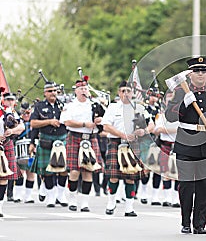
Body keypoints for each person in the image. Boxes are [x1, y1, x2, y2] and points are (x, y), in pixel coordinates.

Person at [165, 56, 206, 234]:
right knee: (186, 186)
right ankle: (186, 221)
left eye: (204, 71)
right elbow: (170, 116)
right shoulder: (180, 92)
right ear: (190, 74)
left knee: (205, 186)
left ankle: (199, 224)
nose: (200, 74)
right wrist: (183, 105)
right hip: (186, 144)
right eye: (197, 71)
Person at [102, 80, 154, 216]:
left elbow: (151, 125)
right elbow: (106, 126)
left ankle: (129, 208)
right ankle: (111, 203)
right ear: (119, 93)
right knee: (113, 176)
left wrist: (144, 131)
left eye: (128, 91)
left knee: (131, 177)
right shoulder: (113, 107)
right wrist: (123, 135)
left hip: (133, 144)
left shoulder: (139, 108)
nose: (126, 93)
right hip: (116, 143)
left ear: (133, 93)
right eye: (123, 91)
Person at [60, 79, 105, 212]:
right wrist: (84, 124)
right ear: (76, 91)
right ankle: (72, 199)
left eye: (86, 89)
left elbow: (105, 119)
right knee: (74, 172)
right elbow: (67, 122)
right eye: (81, 89)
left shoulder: (94, 104)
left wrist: (100, 120)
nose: (84, 91)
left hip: (91, 139)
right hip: (75, 138)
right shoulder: (71, 105)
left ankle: (85, 203)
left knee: (88, 172)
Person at [30, 82, 70, 208]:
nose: (53, 93)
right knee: (48, 171)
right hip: (46, 140)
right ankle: (51, 197)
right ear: (45, 93)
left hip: (62, 139)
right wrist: (49, 122)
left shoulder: (64, 104)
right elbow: (33, 124)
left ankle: (61, 195)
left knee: (63, 170)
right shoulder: (39, 106)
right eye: (50, 91)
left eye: (55, 90)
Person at [0, 91, 25, 217]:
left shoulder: (8, 112)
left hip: (5, 145)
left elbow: (22, 127)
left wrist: (11, 131)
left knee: (3, 177)